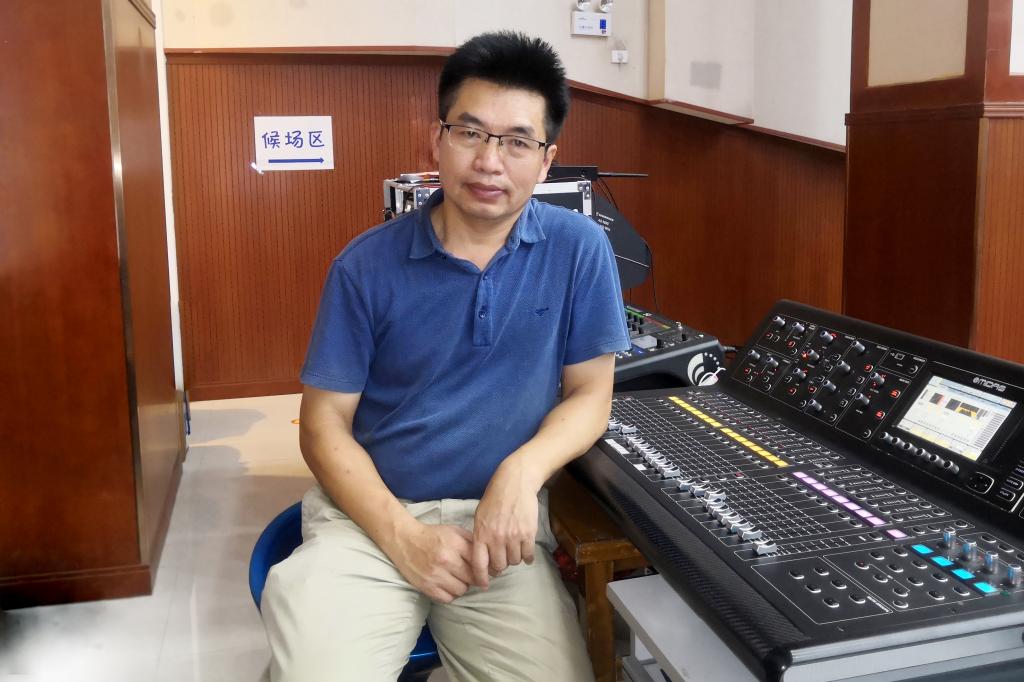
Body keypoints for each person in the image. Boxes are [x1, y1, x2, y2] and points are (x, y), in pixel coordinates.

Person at [262, 31, 630, 682]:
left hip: (499, 532)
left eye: (517, 142)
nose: (490, 161)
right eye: (471, 133)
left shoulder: (579, 250)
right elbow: (321, 427)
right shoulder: (364, 267)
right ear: (437, 139)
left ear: (547, 160)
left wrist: (519, 475)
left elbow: (590, 393)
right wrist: (403, 538)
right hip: (369, 521)